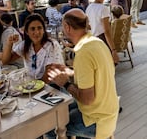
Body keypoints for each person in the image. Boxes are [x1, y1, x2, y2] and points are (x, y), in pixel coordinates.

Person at [46, 9, 119, 139]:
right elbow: (97, 75)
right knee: (59, 111)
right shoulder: (97, 42)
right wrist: (71, 72)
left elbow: (87, 99)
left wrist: (65, 83)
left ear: (67, 27)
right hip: (109, 111)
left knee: (49, 125)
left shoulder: (84, 53)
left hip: (98, 120)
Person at [2, 13, 64, 81]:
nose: (36, 32)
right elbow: (5, 61)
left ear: (43, 30)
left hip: (51, 86)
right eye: (32, 29)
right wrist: (9, 43)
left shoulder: (52, 45)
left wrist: (34, 88)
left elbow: (48, 75)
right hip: (33, 84)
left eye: (39, 28)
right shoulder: (25, 45)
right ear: (27, 32)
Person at [86, 0, 119, 64]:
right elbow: (106, 31)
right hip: (102, 40)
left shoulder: (89, 7)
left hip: (93, 38)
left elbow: (88, 25)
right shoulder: (103, 9)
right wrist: (113, 50)